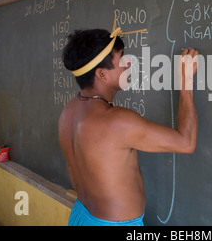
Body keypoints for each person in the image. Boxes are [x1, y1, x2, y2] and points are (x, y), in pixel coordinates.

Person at [58, 26, 198, 226]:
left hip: (81, 216)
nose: (128, 63)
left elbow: (71, 167)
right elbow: (186, 142)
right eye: (121, 59)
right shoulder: (117, 121)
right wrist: (186, 80)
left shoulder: (68, 112)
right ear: (102, 74)